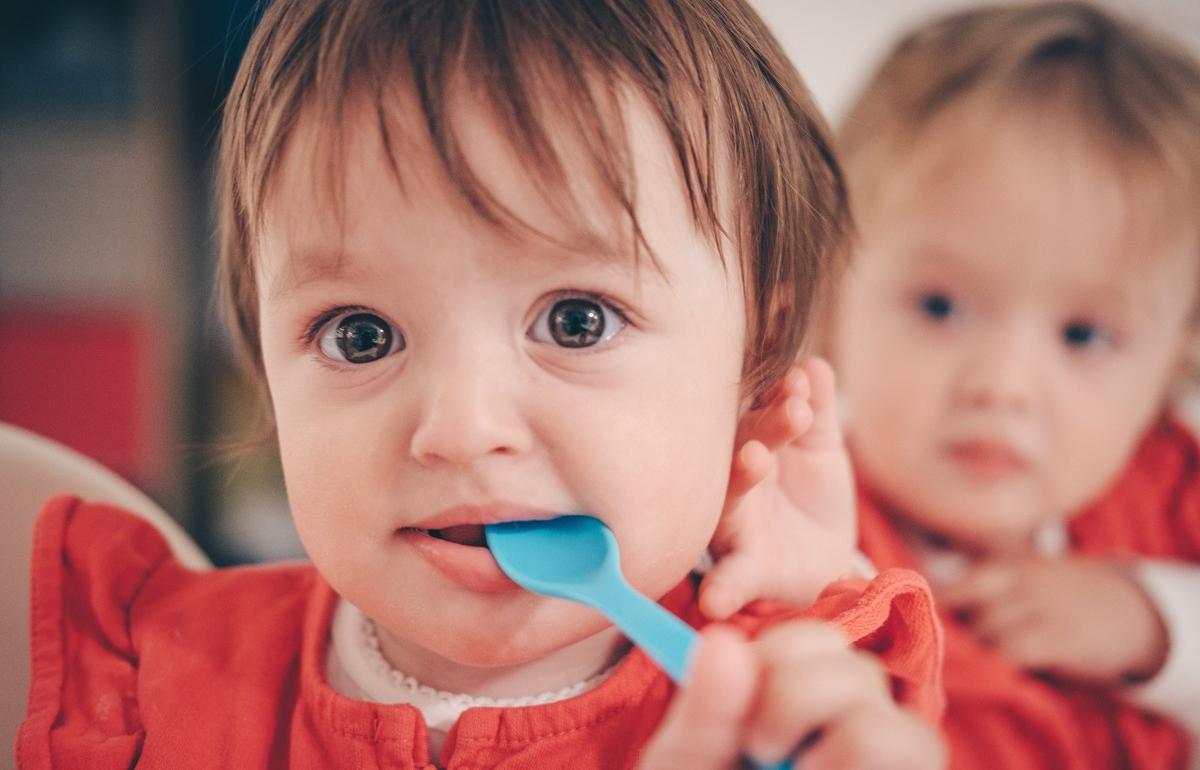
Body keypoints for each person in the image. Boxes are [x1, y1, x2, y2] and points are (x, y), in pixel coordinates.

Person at [17, 1, 946, 768]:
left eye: (576, 321)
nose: (461, 430)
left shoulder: (794, 714)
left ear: (759, 352)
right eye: (361, 335)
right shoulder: (148, 679)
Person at [823, 3, 1200, 768]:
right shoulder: (800, 528)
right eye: (940, 306)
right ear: (829, 298)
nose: (1002, 386)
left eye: (1084, 335)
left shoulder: (1169, 494)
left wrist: (1156, 623)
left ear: (1171, 367)